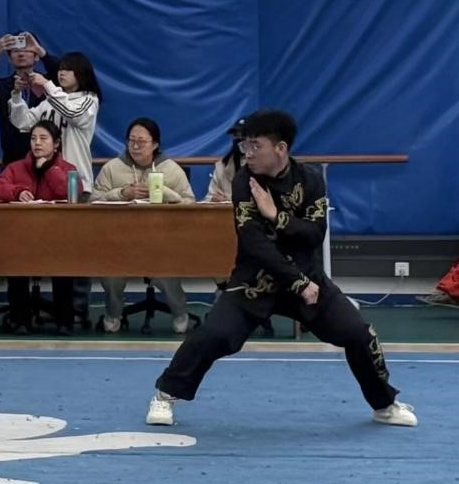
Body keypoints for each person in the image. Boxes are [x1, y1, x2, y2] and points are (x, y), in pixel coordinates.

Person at [146, 110, 417, 428]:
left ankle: (384, 404)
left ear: (280, 148)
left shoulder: (311, 180)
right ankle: (165, 394)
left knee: (359, 333)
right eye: (245, 146)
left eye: (255, 146)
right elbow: (254, 244)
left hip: (309, 280)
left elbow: (314, 234)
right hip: (255, 282)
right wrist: (298, 281)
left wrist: (276, 215)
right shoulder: (244, 181)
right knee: (214, 335)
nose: (247, 153)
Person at [92, 118, 194, 334]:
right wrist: (121, 194)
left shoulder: (171, 169)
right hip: (119, 241)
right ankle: (113, 314)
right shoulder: (112, 168)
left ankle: (180, 313)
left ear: (155, 144)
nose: (135, 146)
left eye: (142, 142)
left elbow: (190, 204)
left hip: (161, 241)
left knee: (167, 273)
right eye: (131, 141)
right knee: (110, 275)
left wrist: (166, 193)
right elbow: (93, 201)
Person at [0, 120, 79, 334]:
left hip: (56, 237)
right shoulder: (16, 167)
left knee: (64, 264)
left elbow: (69, 192)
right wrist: (17, 192)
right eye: (33, 138)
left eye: (43, 138)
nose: (37, 143)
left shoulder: (68, 168)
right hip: (21, 237)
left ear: (56, 144)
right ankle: (20, 320)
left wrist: (49, 169)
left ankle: (64, 321)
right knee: (16, 262)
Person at [7, 51, 101, 196]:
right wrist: (17, 94)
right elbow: (23, 122)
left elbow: (72, 113)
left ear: (81, 73)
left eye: (68, 69)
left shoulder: (89, 99)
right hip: (45, 181)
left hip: (75, 182)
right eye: (60, 69)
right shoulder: (50, 102)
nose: (62, 73)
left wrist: (47, 84)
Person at [0, 31, 61, 165]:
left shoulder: (49, 83)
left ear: (36, 56)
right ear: (9, 59)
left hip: (49, 160)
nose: (21, 54)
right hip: (14, 161)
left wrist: (40, 50)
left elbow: (61, 71)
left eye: (27, 50)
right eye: (15, 51)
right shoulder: (2, 87)